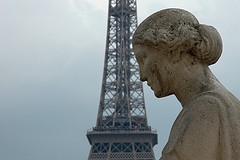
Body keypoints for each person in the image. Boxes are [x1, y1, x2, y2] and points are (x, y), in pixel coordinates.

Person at [132, 8, 240, 160]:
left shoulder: (206, 108)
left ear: (173, 50)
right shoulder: (227, 105)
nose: (142, 75)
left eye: (143, 58)